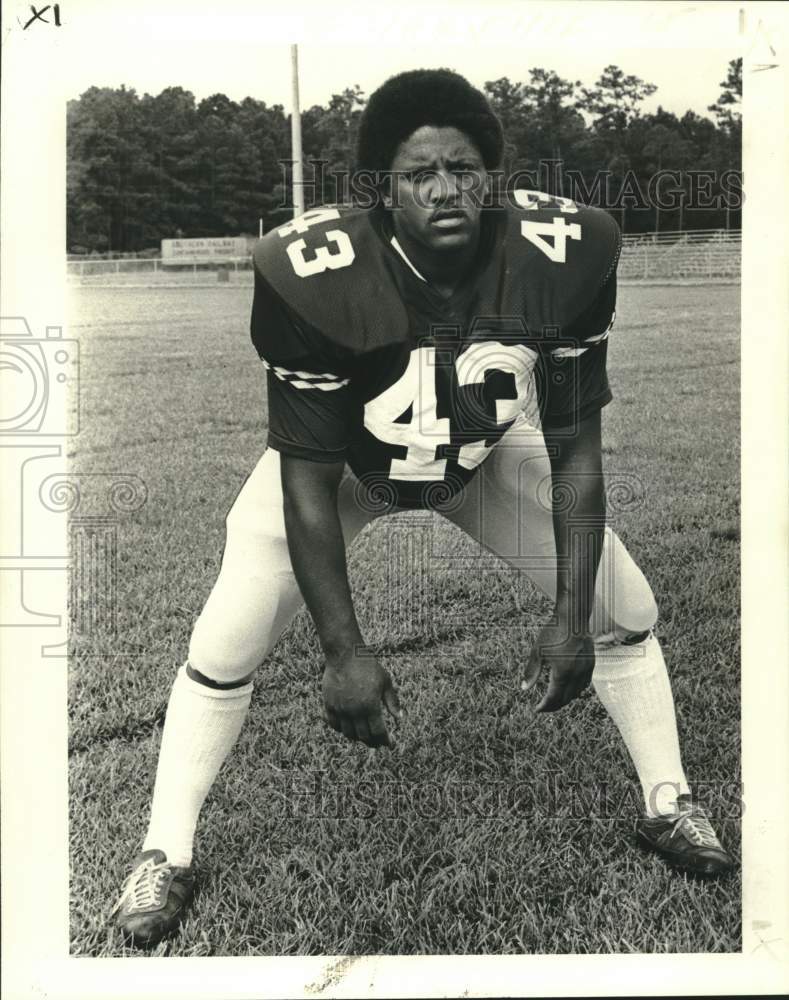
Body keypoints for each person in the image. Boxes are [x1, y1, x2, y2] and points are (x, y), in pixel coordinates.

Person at [111, 69, 734, 948]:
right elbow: (305, 478)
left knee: (622, 611)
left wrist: (565, 617)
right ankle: (163, 851)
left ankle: (669, 802)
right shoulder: (312, 271)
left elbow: (577, 451)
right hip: (343, 470)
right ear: (381, 187)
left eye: (464, 168)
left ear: (494, 173)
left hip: (479, 456)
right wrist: (344, 651)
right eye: (418, 175)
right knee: (223, 646)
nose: (446, 189)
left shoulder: (567, 253)